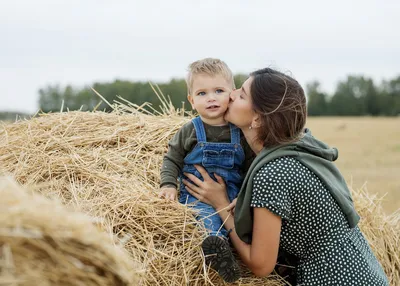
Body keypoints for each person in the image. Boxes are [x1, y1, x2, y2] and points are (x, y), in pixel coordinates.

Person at [183, 68, 389, 285]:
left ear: (258, 119)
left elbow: (261, 265)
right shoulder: (296, 149)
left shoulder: (273, 173)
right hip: (365, 273)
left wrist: (221, 204)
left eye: (242, 95)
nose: (231, 94)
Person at [159, 58, 255, 282]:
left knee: (248, 225)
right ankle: (218, 251)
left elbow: (251, 168)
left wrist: (243, 196)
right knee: (207, 221)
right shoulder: (190, 130)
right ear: (192, 101)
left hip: (233, 196)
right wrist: (168, 184)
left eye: (218, 91)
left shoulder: (239, 131)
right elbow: (172, 158)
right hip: (198, 197)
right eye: (202, 93)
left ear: (231, 94)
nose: (211, 98)